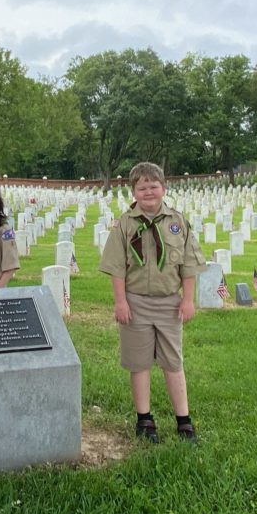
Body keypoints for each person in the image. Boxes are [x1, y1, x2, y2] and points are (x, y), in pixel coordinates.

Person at [99, 162, 206, 443]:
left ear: (164, 188)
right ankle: (144, 420)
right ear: (133, 191)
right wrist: (120, 302)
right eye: (142, 187)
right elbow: (117, 267)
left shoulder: (178, 222)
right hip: (135, 303)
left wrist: (189, 300)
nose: (148, 191)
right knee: (139, 363)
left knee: (173, 362)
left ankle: (184, 420)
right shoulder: (124, 224)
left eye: (153, 186)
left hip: (170, 302)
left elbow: (189, 264)